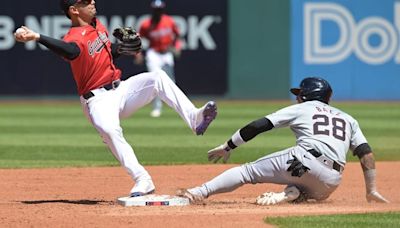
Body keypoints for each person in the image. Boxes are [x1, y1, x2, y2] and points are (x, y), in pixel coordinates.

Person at [14, 0, 217, 197]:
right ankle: (142, 179)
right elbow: (71, 51)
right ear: (74, 10)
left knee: (158, 77)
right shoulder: (73, 37)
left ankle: (194, 118)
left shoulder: (97, 25)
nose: (92, 2)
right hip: (97, 100)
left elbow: (103, 53)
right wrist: (38, 36)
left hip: (121, 90)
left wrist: (118, 49)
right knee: (110, 130)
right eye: (86, 1)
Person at [177, 77, 389, 205]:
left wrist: (228, 146)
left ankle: (198, 193)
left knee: (246, 172)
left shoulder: (302, 108)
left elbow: (259, 125)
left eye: (300, 93)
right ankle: (294, 192)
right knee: (309, 191)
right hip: (329, 184)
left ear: (307, 95)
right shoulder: (348, 118)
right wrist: (371, 190)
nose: (297, 97)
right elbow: (365, 153)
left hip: (304, 162)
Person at [137, 0, 183, 118]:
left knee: (171, 81)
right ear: (153, 10)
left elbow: (177, 36)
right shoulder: (146, 24)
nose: (158, 12)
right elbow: (137, 39)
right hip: (154, 54)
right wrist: (137, 54)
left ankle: (178, 107)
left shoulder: (169, 21)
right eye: (156, 10)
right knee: (155, 80)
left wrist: (177, 47)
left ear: (162, 10)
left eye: (160, 10)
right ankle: (157, 108)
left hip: (167, 53)